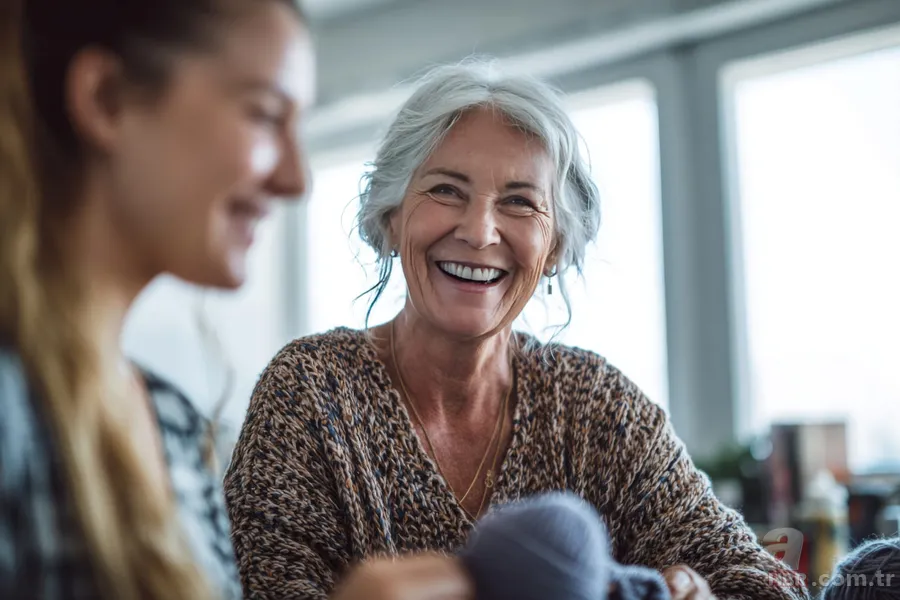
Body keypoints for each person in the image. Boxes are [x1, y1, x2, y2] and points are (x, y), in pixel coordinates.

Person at [223, 61, 808, 600]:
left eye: (520, 202)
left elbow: (763, 583)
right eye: (446, 190)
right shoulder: (310, 392)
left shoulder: (597, 407)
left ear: (553, 248)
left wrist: (700, 593)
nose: (479, 232)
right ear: (391, 215)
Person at [0, 0, 313, 598]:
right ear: (108, 100)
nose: (296, 180)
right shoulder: (11, 408)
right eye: (266, 115)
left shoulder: (176, 424)